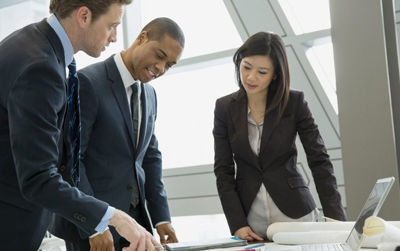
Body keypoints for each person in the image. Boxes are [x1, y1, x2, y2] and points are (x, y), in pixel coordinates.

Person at [0, 0, 160, 250]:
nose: (114, 38)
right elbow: (38, 177)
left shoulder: (33, 44)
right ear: (84, 16)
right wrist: (113, 217)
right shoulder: (40, 67)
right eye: (111, 26)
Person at [49, 17, 184, 251]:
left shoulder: (150, 95)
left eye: (169, 64)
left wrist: (162, 218)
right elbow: (71, 161)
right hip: (93, 229)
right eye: (160, 56)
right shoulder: (86, 81)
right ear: (142, 38)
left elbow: (149, 158)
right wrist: (95, 224)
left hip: (137, 224)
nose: (161, 68)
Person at [213, 31, 347, 241]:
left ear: (275, 74)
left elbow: (319, 160)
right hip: (251, 222)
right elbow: (223, 170)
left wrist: (336, 220)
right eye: (246, 66)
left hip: (296, 216)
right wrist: (237, 223)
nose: (251, 77)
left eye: (262, 71)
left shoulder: (294, 103)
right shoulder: (224, 108)